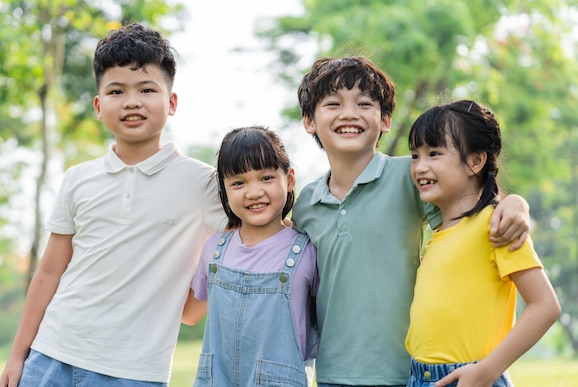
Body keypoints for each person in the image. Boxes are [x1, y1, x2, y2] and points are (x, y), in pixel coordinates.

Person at [0, 23, 227, 387]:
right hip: (50, 356)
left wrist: (190, 308)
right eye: (116, 91)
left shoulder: (204, 183)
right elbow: (49, 272)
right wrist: (17, 356)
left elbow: (239, 249)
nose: (132, 101)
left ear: (172, 102)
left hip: (133, 372)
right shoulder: (78, 178)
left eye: (147, 89)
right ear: (98, 106)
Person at [291, 56, 532, 386]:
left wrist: (517, 204)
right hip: (333, 372)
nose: (349, 114)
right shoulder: (306, 203)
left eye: (364, 104)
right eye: (333, 104)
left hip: (407, 372)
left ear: (386, 119)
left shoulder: (410, 176)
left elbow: (470, 207)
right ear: (309, 121)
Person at [405, 99, 560, 387]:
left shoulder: (497, 225)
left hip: (471, 377)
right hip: (418, 377)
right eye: (415, 155)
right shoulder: (437, 233)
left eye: (434, 153)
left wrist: (488, 370)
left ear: (475, 161)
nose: (420, 167)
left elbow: (545, 306)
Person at [182, 125, 320, 387]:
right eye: (238, 182)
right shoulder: (213, 250)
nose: (254, 192)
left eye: (266, 178)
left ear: (289, 179)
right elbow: (189, 314)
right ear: (224, 189)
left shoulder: (307, 252)